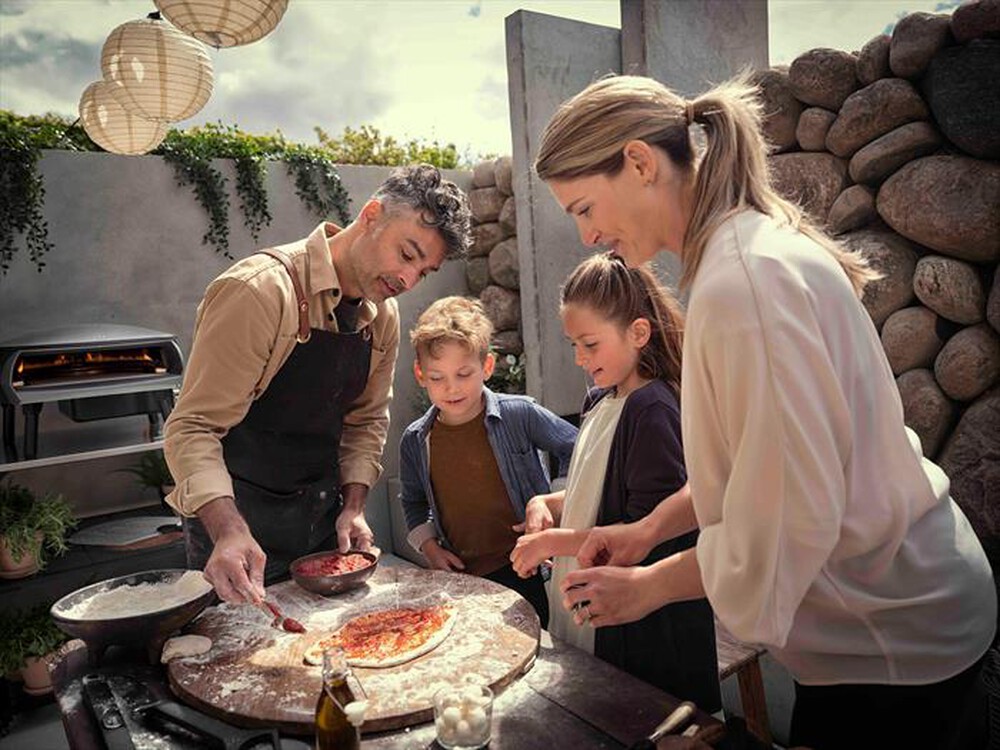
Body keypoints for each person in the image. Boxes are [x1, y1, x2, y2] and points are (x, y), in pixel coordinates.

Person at [532, 73, 997, 749]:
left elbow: (790, 513)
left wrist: (650, 586)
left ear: (638, 163)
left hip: (895, 644)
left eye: (582, 207)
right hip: (895, 625)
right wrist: (647, 532)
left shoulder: (742, 284)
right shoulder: (746, 254)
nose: (585, 234)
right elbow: (759, 465)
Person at [164, 165, 472, 605]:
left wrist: (354, 506)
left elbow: (366, 420)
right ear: (370, 215)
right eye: (407, 254)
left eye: (424, 272)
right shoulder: (260, 293)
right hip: (237, 530)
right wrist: (228, 532)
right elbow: (192, 428)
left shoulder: (381, 316)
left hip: (324, 526)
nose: (407, 280)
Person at [509, 253, 720, 710]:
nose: (581, 359)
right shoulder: (601, 400)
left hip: (645, 631)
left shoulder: (653, 409)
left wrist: (550, 545)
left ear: (638, 333)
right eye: (573, 346)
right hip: (595, 605)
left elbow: (643, 532)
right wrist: (549, 501)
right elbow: (598, 486)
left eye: (590, 344)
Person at [398, 296, 577, 627]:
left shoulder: (519, 414)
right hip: (464, 579)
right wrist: (429, 547)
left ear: (488, 367)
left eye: (464, 373)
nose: (451, 388)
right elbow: (412, 499)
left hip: (530, 571)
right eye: (437, 377)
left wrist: (554, 503)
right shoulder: (415, 439)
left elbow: (577, 448)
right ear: (420, 374)